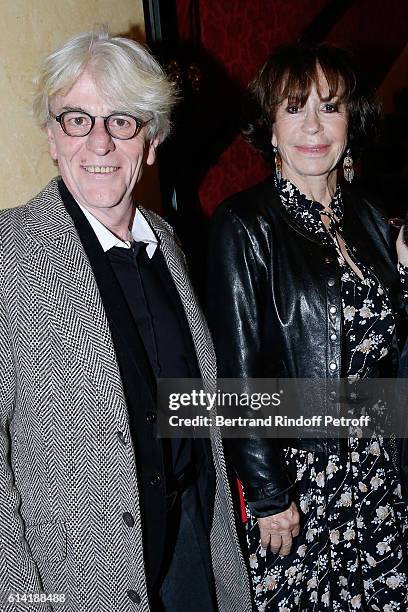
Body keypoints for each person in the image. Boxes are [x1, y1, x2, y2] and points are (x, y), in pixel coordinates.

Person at [0, 28, 252, 612]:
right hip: (78, 573)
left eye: (122, 120)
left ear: (152, 141)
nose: (100, 143)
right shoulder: (11, 250)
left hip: (189, 536)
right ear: (51, 137)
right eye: (77, 120)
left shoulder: (167, 242)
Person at [207, 43, 408, 610]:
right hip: (302, 482)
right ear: (270, 128)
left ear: (352, 122)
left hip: (378, 471)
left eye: (330, 106)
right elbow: (236, 376)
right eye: (294, 109)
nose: (314, 127)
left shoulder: (369, 217)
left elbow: (390, 344)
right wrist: (270, 494)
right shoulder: (244, 225)